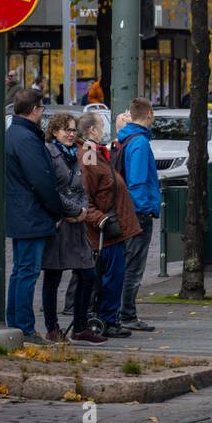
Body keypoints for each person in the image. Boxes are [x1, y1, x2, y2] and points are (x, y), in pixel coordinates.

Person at [39, 113, 105, 344]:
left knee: (88, 274)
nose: (70, 133)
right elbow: (51, 190)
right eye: (65, 129)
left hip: (77, 226)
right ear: (54, 132)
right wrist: (73, 212)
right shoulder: (48, 153)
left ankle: (80, 327)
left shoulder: (78, 154)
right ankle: (52, 328)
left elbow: (82, 189)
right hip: (59, 224)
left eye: (73, 129)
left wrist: (84, 211)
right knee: (53, 276)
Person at [4, 89, 63, 343]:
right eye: (42, 109)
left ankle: (16, 322)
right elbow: (41, 179)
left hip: (22, 212)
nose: (43, 113)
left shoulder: (15, 134)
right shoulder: (26, 138)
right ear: (34, 110)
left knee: (21, 271)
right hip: (31, 214)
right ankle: (24, 327)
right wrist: (57, 209)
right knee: (27, 272)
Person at [77, 112, 141, 339]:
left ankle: (108, 316)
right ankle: (106, 317)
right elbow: (86, 193)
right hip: (106, 228)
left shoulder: (96, 152)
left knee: (115, 273)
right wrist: (98, 218)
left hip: (113, 225)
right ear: (92, 130)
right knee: (111, 275)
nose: (104, 129)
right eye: (101, 125)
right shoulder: (90, 155)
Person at [117, 98, 160, 332]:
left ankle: (120, 312)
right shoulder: (141, 143)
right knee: (133, 266)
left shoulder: (127, 138)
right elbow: (138, 181)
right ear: (149, 114)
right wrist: (144, 209)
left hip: (129, 211)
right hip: (137, 213)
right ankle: (127, 314)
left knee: (126, 263)